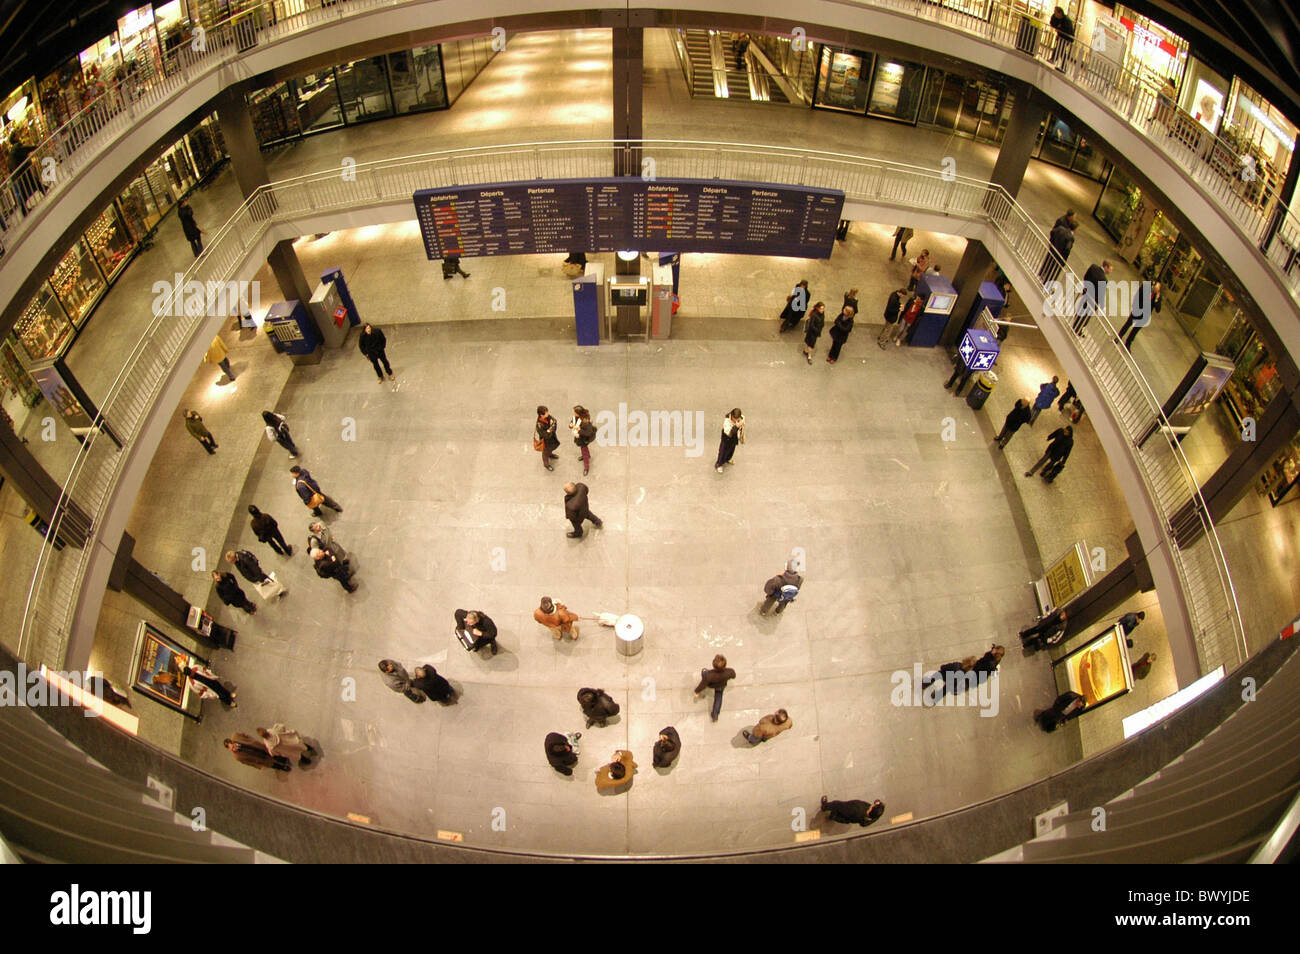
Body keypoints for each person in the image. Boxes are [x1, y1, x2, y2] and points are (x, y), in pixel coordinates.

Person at [1117, 282, 1162, 350]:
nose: (1155, 291)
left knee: (1135, 330)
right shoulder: (1145, 287)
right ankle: (1119, 336)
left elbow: (1158, 310)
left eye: (1157, 290)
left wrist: (1156, 300)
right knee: (1128, 323)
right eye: (1155, 289)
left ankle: (1128, 343)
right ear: (1153, 286)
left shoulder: (1158, 296)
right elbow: (1137, 296)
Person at [1072, 261, 1112, 335]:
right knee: (1086, 317)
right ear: (1106, 267)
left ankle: (1075, 324)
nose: (1110, 271)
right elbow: (1100, 294)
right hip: (1092, 300)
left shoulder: (1093, 267)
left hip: (1086, 293)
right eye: (1110, 269)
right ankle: (1077, 329)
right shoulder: (1104, 279)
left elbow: (1086, 277)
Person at [694, 654, 737, 722]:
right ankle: (715, 715)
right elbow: (734, 676)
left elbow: (702, 685)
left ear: (714, 666)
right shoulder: (730, 671)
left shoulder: (709, 675)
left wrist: (696, 691)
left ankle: (714, 715)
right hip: (721, 686)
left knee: (704, 671)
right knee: (718, 699)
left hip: (712, 685)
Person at [224, 734, 290, 771]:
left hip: (258, 747)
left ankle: (284, 760)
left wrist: (252, 740)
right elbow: (248, 763)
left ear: (232, 742)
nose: (234, 748)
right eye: (232, 748)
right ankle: (282, 767)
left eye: (233, 746)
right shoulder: (237, 757)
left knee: (272, 753)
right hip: (257, 758)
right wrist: (258, 766)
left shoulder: (236, 736)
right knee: (271, 764)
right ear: (229, 749)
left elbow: (244, 735)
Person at [1039, 218, 1076, 285]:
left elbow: (1052, 232)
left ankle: (1041, 274)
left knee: (1047, 263)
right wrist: (1065, 259)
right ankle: (1046, 282)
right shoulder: (1070, 237)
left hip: (1053, 250)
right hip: (1059, 256)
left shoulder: (1060, 228)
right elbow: (1067, 249)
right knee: (1053, 270)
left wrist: (1052, 241)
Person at [820, 796, 885, 827]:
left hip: (848, 811)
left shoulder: (858, 810)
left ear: (872, 809)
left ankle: (824, 807)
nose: (875, 803)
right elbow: (863, 824)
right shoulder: (874, 816)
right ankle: (833, 816)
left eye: (874, 805)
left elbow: (842, 807)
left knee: (836, 804)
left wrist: (837, 805)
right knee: (842, 816)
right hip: (850, 818)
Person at [713, 408, 745, 473]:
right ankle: (719, 464)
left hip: (734, 437)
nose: (736, 420)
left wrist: (741, 430)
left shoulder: (741, 418)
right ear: (732, 416)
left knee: (731, 449)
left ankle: (728, 459)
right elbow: (728, 433)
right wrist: (736, 426)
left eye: (737, 418)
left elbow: (743, 423)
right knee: (722, 451)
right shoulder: (727, 421)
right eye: (734, 419)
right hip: (726, 438)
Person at [570, 405, 596, 477]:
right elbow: (572, 422)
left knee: (584, 451)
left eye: (575, 412)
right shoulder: (576, 417)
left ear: (579, 413)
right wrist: (571, 425)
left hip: (584, 440)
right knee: (584, 449)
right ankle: (588, 455)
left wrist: (579, 430)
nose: (573, 413)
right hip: (580, 438)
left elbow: (588, 433)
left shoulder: (585, 421)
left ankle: (586, 467)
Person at [535, 406, 560, 471]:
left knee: (551, 448)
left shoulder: (548, 417)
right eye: (546, 413)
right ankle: (546, 464)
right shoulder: (539, 425)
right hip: (545, 441)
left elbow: (554, 421)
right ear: (541, 415)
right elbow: (546, 435)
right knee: (545, 452)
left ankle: (550, 454)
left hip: (551, 438)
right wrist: (551, 428)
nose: (548, 414)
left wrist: (550, 429)